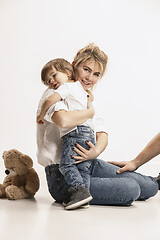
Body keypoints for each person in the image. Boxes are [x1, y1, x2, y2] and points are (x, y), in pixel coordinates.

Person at [37, 43, 158, 210]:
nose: (89, 78)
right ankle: (78, 191)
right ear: (73, 66)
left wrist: (95, 151)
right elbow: (63, 120)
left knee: (149, 187)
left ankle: (152, 182)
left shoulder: (84, 97)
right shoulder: (56, 91)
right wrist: (89, 112)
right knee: (131, 189)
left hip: (88, 162)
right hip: (62, 175)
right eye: (86, 70)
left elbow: (102, 133)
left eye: (96, 74)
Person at [37, 58, 96, 210]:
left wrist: (41, 114)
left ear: (68, 72)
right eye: (47, 81)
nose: (51, 82)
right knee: (82, 168)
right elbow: (90, 102)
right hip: (88, 133)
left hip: (74, 132)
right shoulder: (82, 90)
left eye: (54, 75)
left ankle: (79, 191)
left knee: (66, 165)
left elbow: (51, 99)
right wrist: (90, 112)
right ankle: (84, 197)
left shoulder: (66, 88)